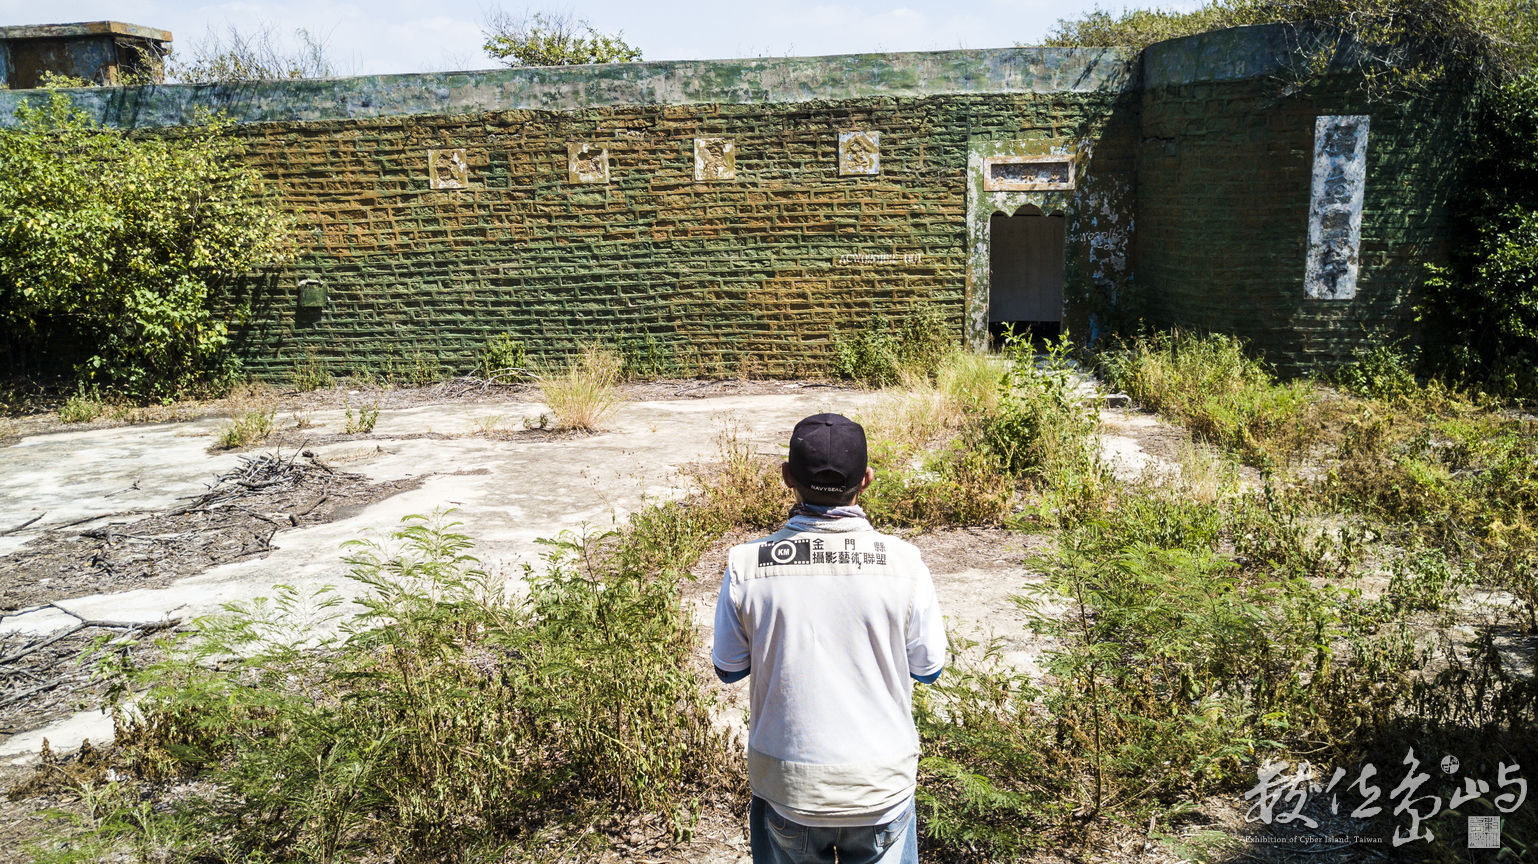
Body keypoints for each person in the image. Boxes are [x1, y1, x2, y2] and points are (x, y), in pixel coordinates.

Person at [712, 413, 947, 864]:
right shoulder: (907, 564)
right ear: (867, 480)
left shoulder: (746, 564)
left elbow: (728, 669)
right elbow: (928, 669)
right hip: (881, 787)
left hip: (789, 790)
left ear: (786, 476)